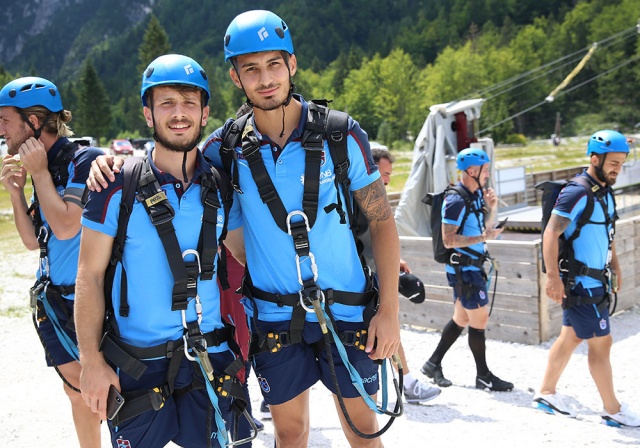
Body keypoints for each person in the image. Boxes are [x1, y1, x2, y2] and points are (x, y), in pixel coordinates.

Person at [86, 10, 400, 447]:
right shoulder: (224, 149)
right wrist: (109, 164)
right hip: (274, 318)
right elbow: (176, 163)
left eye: (274, 64)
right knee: (290, 433)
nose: (265, 79)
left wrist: (389, 311)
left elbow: (381, 221)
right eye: (251, 69)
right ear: (235, 77)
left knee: (363, 430)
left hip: (348, 311)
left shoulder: (339, 135)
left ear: (292, 64)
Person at [74, 54, 247, 447]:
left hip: (211, 358)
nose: (179, 113)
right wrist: (91, 362)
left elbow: (249, 255)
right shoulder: (115, 185)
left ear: (205, 113)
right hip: (136, 365)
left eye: (189, 103)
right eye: (166, 103)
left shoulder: (221, 186)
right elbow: (89, 274)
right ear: (148, 114)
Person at [0, 77, 103, 446]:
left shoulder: (82, 160)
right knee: (76, 394)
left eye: (5, 121)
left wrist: (40, 174)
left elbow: (65, 225)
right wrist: (16, 192)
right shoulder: (44, 167)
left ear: (33, 121)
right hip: (55, 300)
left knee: (97, 392)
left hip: (87, 301)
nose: (1, 130)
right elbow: (33, 241)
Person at [531, 130, 640, 427]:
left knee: (571, 336)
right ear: (595, 159)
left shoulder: (605, 192)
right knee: (601, 344)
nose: (618, 169)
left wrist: (616, 268)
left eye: (621, 163)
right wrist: (552, 278)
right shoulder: (577, 192)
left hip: (596, 280)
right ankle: (613, 410)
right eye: (613, 163)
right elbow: (550, 233)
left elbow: (607, 234)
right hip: (581, 285)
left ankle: (546, 394)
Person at [420, 147, 513, 392]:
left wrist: (492, 207)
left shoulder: (476, 196)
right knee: (480, 318)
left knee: (462, 318)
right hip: (464, 271)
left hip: (472, 267)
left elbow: (484, 228)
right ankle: (483, 376)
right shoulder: (455, 200)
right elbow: (449, 239)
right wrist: (483, 237)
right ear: (472, 171)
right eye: (485, 170)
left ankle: (432, 364)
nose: (487, 174)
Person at [361, 148, 440, 403]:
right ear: (370, 168)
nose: (387, 180)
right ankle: (409, 383)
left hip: (369, 272)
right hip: (363, 277)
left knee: (386, 327)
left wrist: (393, 261)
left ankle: (409, 382)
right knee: (388, 326)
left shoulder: (369, 193)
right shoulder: (363, 194)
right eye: (384, 174)